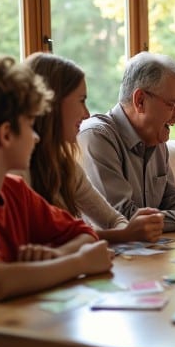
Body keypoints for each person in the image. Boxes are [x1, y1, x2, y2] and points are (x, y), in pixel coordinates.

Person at [0, 55, 112, 301]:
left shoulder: (15, 191)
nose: (37, 137)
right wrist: (78, 263)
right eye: (30, 124)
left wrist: (57, 257)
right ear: (6, 134)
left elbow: (84, 233)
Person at [77, 52, 175, 231]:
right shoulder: (96, 136)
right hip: (110, 254)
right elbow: (122, 219)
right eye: (172, 105)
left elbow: (172, 200)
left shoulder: (155, 137)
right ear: (140, 101)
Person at [23, 52, 164, 243]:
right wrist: (124, 234)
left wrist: (126, 232)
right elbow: (49, 240)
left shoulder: (66, 168)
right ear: (51, 103)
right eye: (81, 100)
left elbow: (115, 219)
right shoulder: (17, 173)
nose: (87, 114)